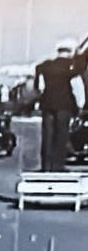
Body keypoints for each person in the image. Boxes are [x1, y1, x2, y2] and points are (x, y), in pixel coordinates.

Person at [35, 36, 88, 171]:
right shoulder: (73, 67)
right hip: (64, 106)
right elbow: (77, 88)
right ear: (70, 52)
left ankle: (46, 166)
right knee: (61, 136)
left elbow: (39, 87)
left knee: (47, 136)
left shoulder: (44, 66)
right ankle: (57, 166)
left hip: (47, 105)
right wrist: (80, 107)